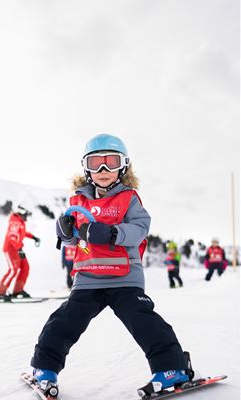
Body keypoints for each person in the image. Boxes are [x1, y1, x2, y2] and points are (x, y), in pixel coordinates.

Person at [29, 134, 193, 397]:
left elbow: (140, 229)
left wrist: (113, 233)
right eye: (96, 163)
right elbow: (73, 242)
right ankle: (44, 368)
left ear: (123, 166)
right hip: (88, 276)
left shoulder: (128, 198)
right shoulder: (78, 201)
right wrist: (65, 232)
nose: (103, 170)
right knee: (64, 322)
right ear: (86, 168)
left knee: (144, 321)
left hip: (124, 277)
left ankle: (172, 368)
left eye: (110, 162)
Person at [0, 206, 40, 301]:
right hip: (11, 249)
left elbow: (22, 232)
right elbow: (12, 237)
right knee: (13, 270)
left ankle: (17, 290)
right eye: (26, 214)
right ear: (21, 214)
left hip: (17, 248)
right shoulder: (15, 222)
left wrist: (33, 237)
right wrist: (19, 249)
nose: (27, 216)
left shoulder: (20, 222)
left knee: (25, 267)